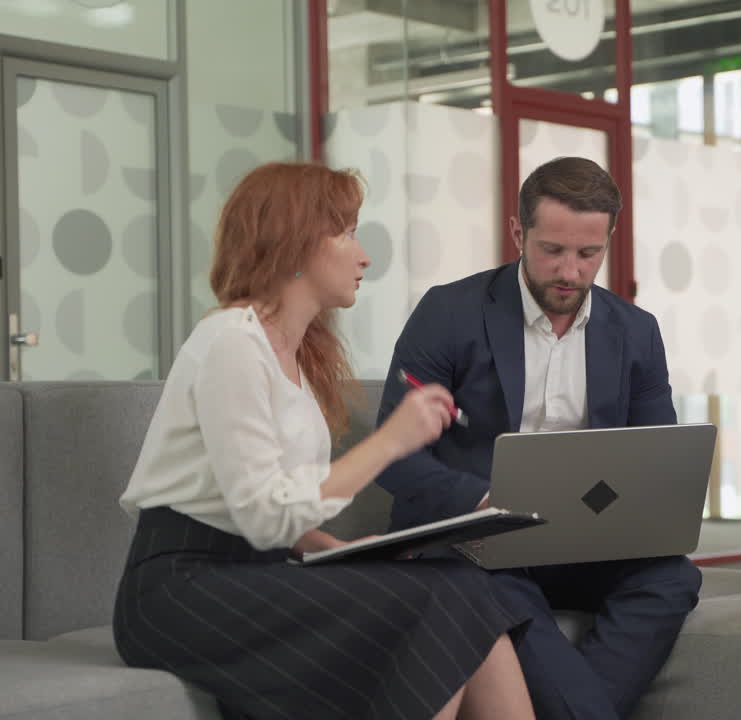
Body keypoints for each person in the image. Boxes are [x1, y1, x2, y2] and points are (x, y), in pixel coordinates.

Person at [113, 162, 536, 720]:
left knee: (463, 583)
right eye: (347, 234)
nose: (364, 256)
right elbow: (265, 516)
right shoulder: (231, 343)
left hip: (255, 569)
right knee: (432, 603)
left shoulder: (296, 356)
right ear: (295, 243)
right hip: (179, 590)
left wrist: (345, 552)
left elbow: (273, 509)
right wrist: (390, 442)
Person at [375, 156, 702, 720]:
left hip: (585, 544)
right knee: (491, 585)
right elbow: (394, 455)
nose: (570, 271)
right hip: (473, 543)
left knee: (671, 578)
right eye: (553, 250)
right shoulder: (448, 313)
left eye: (588, 253)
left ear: (609, 240)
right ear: (517, 233)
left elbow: (658, 461)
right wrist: (483, 504)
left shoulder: (637, 332)